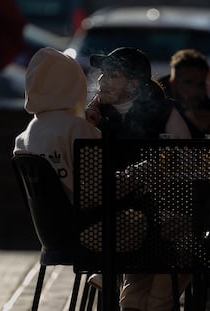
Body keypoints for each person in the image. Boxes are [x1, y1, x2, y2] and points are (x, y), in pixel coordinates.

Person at [85, 47, 192, 311]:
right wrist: (89, 126)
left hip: (151, 213)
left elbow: (188, 159)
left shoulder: (163, 111)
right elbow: (87, 178)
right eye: (102, 75)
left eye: (112, 75)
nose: (100, 81)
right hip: (113, 220)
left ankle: (136, 302)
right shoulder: (96, 117)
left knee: (177, 232)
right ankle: (155, 305)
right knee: (182, 237)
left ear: (133, 84)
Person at [13, 47, 101, 203]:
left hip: (51, 224)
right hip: (87, 222)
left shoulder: (23, 138)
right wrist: (138, 173)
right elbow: (99, 189)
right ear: (75, 84)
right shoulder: (78, 129)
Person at [159, 49, 210, 138]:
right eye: (188, 83)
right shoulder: (155, 106)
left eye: (201, 84)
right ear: (173, 83)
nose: (195, 91)